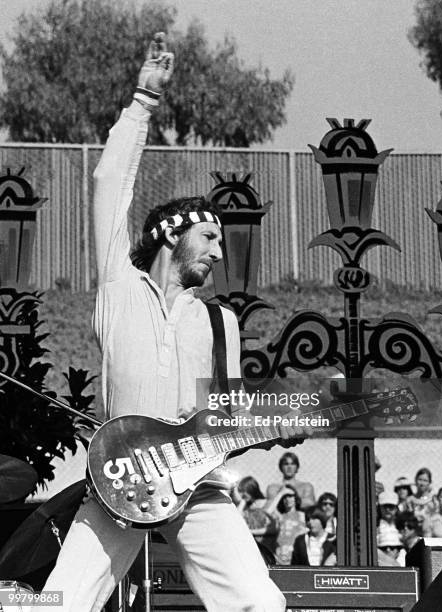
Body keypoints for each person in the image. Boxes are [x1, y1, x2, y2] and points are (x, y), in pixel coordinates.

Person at [41, 33, 307, 612]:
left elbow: (228, 418)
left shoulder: (221, 322)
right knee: (58, 605)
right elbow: (108, 184)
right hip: (117, 483)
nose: (218, 249)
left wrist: (285, 418)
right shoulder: (118, 286)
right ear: (170, 233)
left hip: (198, 489)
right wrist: (143, 102)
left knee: (259, 604)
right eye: (208, 236)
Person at [235, 476, 279, 562]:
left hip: (267, 550)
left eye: (244, 491)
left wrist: (251, 532)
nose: (242, 495)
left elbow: (274, 529)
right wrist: (243, 502)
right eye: (241, 492)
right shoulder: (245, 508)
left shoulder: (266, 504)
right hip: (251, 552)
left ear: (252, 489)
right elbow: (236, 521)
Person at [264, 485, 306, 565]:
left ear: (295, 498)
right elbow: (268, 511)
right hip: (280, 558)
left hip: (297, 557)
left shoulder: (303, 515)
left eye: (290, 496)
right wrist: (281, 493)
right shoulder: (280, 517)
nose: (287, 499)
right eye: (285, 497)